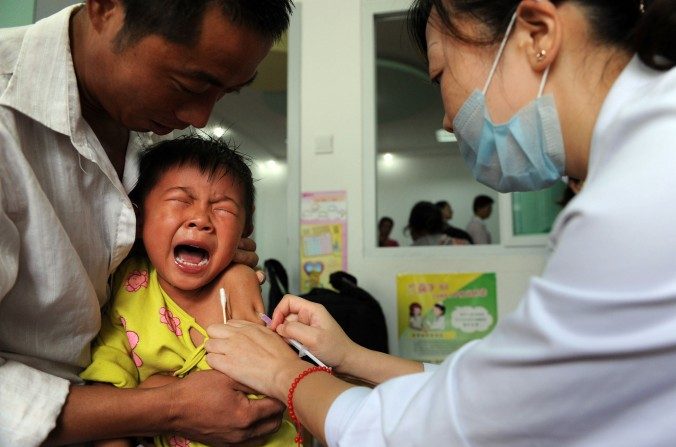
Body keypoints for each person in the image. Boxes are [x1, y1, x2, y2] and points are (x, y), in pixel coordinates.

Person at [203, 0, 676, 445]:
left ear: (537, 34)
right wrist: (349, 357)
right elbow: (494, 389)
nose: (449, 120)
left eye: (439, 75)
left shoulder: (640, 193)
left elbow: (452, 428)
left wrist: (285, 374)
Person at [0, 0, 293, 445]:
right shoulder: (8, 121)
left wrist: (232, 276)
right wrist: (169, 408)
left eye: (227, 93)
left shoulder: (143, 125)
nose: (199, 118)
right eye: (189, 82)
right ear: (106, 8)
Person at [79, 136, 296, 447]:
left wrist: (154, 389)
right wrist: (159, 394)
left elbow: (260, 392)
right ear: (138, 217)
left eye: (223, 209)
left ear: (245, 229)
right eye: (181, 200)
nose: (201, 220)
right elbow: (107, 383)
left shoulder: (238, 285)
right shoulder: (128, 285)